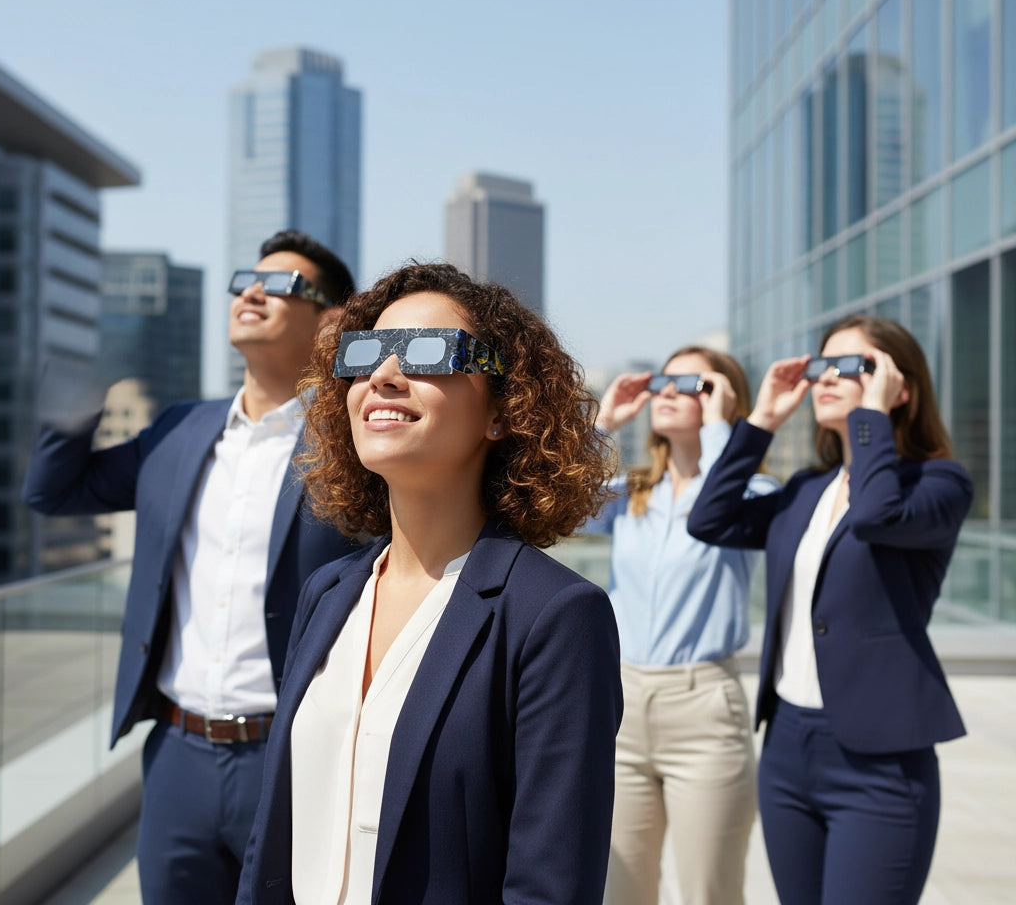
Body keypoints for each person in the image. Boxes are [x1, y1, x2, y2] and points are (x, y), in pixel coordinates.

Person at [235, 261, 623, 905]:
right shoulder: (328, 594)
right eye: (365, 355)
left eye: (428, 353)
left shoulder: (555, 616)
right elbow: (273, 832)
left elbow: (551, 884)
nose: (384, 375)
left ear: (503, 410)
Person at [22, 230, 359, 905]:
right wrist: (78, 393)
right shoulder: (179, 430)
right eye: (245, 279)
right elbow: (52, 492)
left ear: (332, 321)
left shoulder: (350, 448)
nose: (253, 291)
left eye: (285, 284)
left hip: (294, 756)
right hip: (178, 752)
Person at [686, 315, 973, 905]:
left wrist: (872, 417)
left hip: (881, 765)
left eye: (854, 366)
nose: (828, 378)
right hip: (788, 748)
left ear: (901, 387)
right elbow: (708, 519)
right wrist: (762, 420)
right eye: (822, 365)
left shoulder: (940, 484)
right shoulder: (804, 490)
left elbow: (875, 515)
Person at [588, 347, 775, 905]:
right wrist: (605, 423)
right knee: (619, 890)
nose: (668, 391)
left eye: (692, 382)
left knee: (709, 893)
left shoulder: (753, 497)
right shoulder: (635, 492)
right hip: (623, 704)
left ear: (724, 399)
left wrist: (723, 430)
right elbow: (560, 504)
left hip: (704, 709)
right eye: (664, 381)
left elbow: (722, 503)